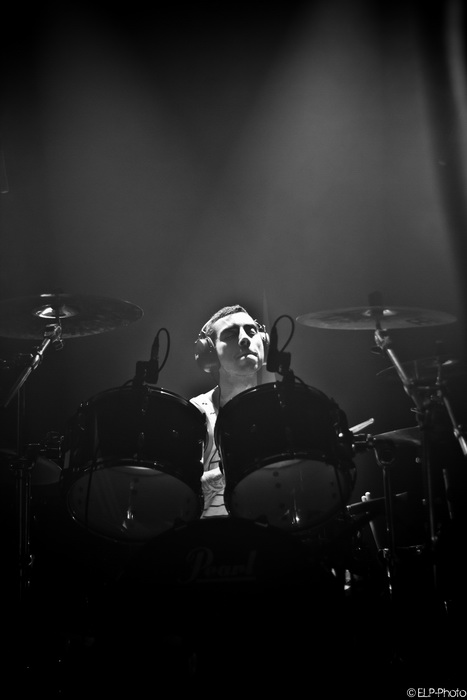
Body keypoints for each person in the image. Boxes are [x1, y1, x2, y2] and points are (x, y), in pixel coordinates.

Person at [190, 304, 269, 518]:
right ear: (210, 354)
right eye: (230, 335)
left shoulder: (280, 408)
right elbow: (181, 499)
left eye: (251, 331)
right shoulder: (197, 412)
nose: (245, 339)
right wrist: (241, 467)